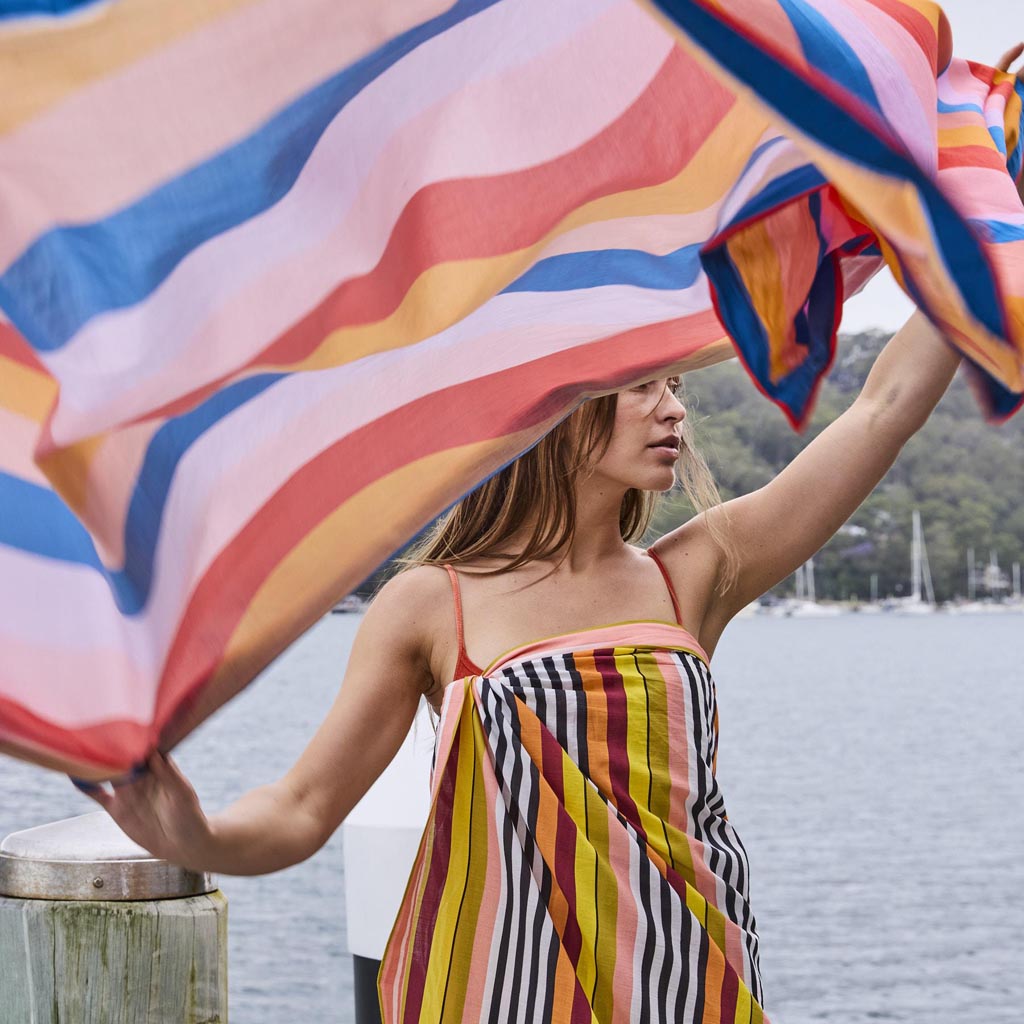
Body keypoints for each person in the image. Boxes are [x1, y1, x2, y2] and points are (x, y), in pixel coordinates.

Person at [74, 44, 1024, 1021]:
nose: (672, 412)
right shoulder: (428, 604)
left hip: (693, 988)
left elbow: (882, 407)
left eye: (677, 387)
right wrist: (194, 832)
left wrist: (982, 216)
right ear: (563, 407)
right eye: (642, 387)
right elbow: (302, 809)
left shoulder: (698, 571)